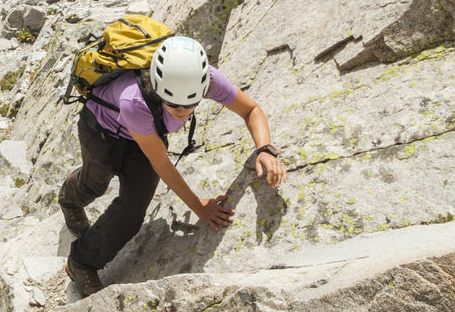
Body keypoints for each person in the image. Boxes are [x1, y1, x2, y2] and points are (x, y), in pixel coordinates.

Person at [58, 35, 287, 297]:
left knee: (132, 213)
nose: (181, 110)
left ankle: (81, 262)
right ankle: (69, 197)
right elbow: (161, 163)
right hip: (101, 129)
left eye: (190, 104)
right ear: (157, 86)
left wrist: (265, 149)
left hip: (145, 134)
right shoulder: (134, 101)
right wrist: (198, 206)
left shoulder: (208, 80)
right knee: (95, 184)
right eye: (172, 103)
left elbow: (251, 110)